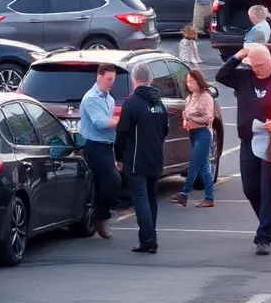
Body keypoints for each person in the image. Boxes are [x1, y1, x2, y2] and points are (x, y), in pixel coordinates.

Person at [216, 44, 271, 255]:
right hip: (248, 140)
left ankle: (263, 237)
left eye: (259, 66)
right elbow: (221, 75)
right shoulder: (245, 78)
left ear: (269, 62)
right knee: (250, 188)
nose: (256, 70)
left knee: (266, 190)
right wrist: (238, 56)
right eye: (253, 66)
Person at [114, 63, 169, 254]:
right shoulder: (159, 103)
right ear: (151, 80)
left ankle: (148, 239)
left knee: (140, 198)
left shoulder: (132, 103)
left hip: (137, 158)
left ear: (133, 79)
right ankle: (149, 235)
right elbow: (165, 130)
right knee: (151, 198)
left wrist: (118, 156)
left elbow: (122, 131)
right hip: (155, 157)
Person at [78, 63, 122, 240]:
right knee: (113, 180)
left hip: (107, 145)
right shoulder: (91, 98)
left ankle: (100, 211)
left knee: (109, 181)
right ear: (99, 78)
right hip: (94, 145)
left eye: (113, 79)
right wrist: (121, 121)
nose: (112, 82)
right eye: (109, 79)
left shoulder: (109, 98)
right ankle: (100, 216)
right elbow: (100, 123)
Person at [171, 67, 215, 208]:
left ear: (199, 81)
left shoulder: (205, 97)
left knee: (194, 163)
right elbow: (185, 114)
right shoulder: (190, 97)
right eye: (188, 82)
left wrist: (191, 117)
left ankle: (184, 193)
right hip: (193, 133)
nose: (189, 84)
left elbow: (208, 119)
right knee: (204, 167)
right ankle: (209, 197)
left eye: (192, 81)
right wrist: (186, 119)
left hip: (203, 133)